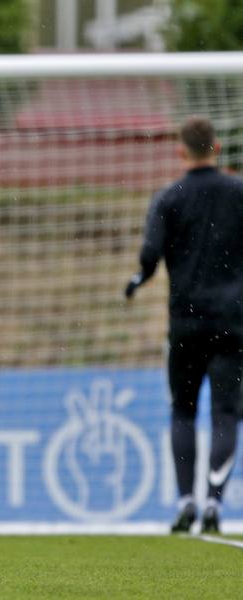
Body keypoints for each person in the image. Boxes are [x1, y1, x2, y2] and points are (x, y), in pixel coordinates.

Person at [125, 116, 243, 534]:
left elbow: (149, 256)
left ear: (181, 151)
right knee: (227, 413)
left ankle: (185, 501)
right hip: (233, 323)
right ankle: (214, 501)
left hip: (186, 322)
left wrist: (137, 279)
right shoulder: (239, 193)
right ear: (217, 148)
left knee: (183, 410)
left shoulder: (170, 197)